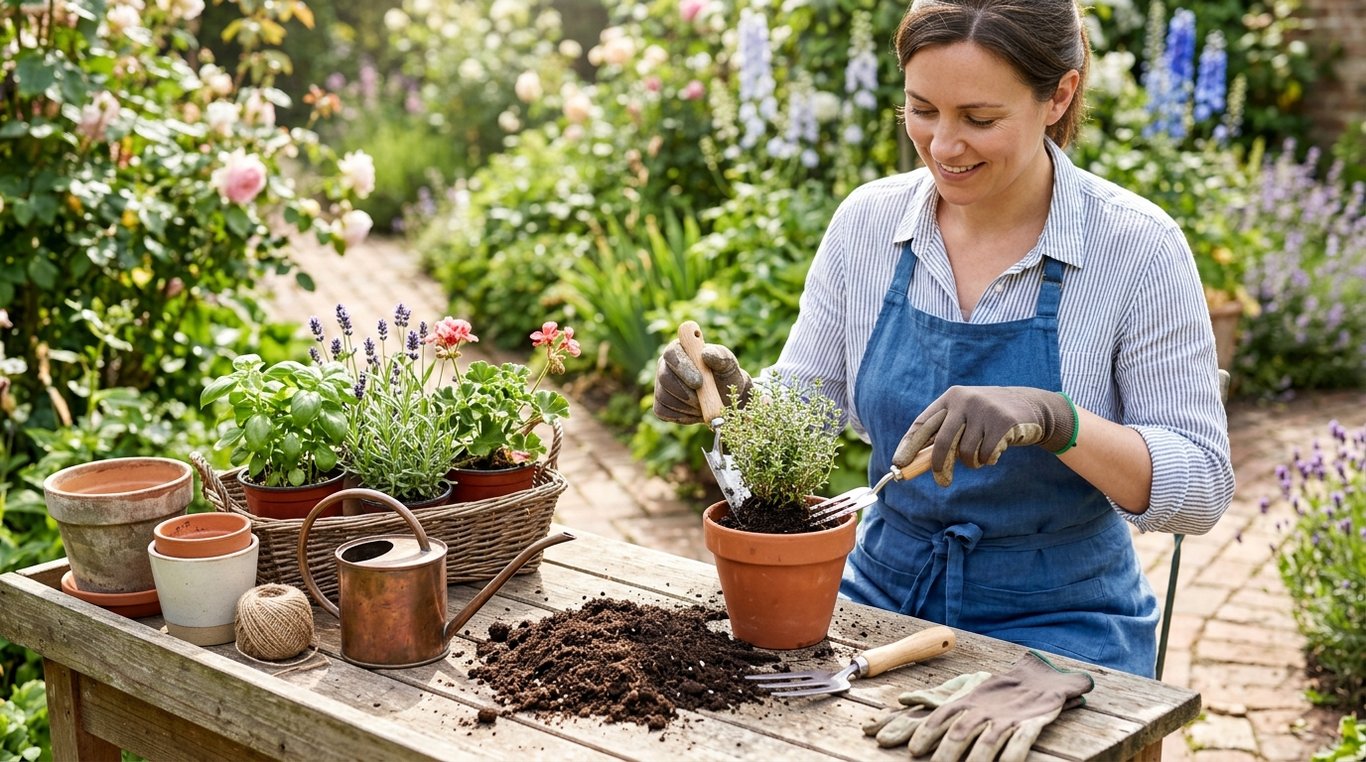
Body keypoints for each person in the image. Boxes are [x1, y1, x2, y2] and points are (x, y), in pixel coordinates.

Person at [653, 0, 1234, 678]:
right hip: (875, 595)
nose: (944, 146)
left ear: (1059, 95)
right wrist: (739, 404)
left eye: (980, 119)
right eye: (922, 110)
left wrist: (1056, 418)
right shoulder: (867, 225)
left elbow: (1202, 486)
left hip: (1065, 626)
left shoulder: (1136, 249)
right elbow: (810, 408)